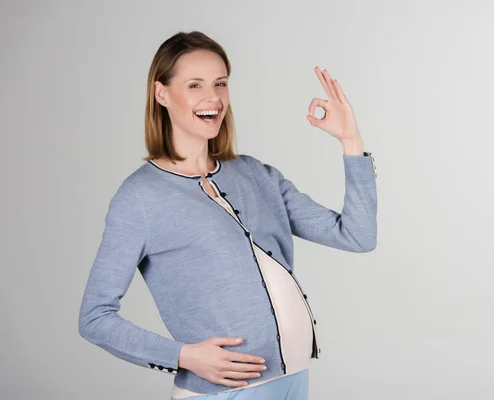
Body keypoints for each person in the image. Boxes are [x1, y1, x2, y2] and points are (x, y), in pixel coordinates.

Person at [78, 31, 378, 400]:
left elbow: (357, 236)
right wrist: (184, 356)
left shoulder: (256, 174)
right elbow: (95, 318)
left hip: (294, 380)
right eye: (194, 85)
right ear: (162, 94)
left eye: (220, 83)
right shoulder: (140, 197)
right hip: (223, 394)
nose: (213, 98)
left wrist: (351, 143)